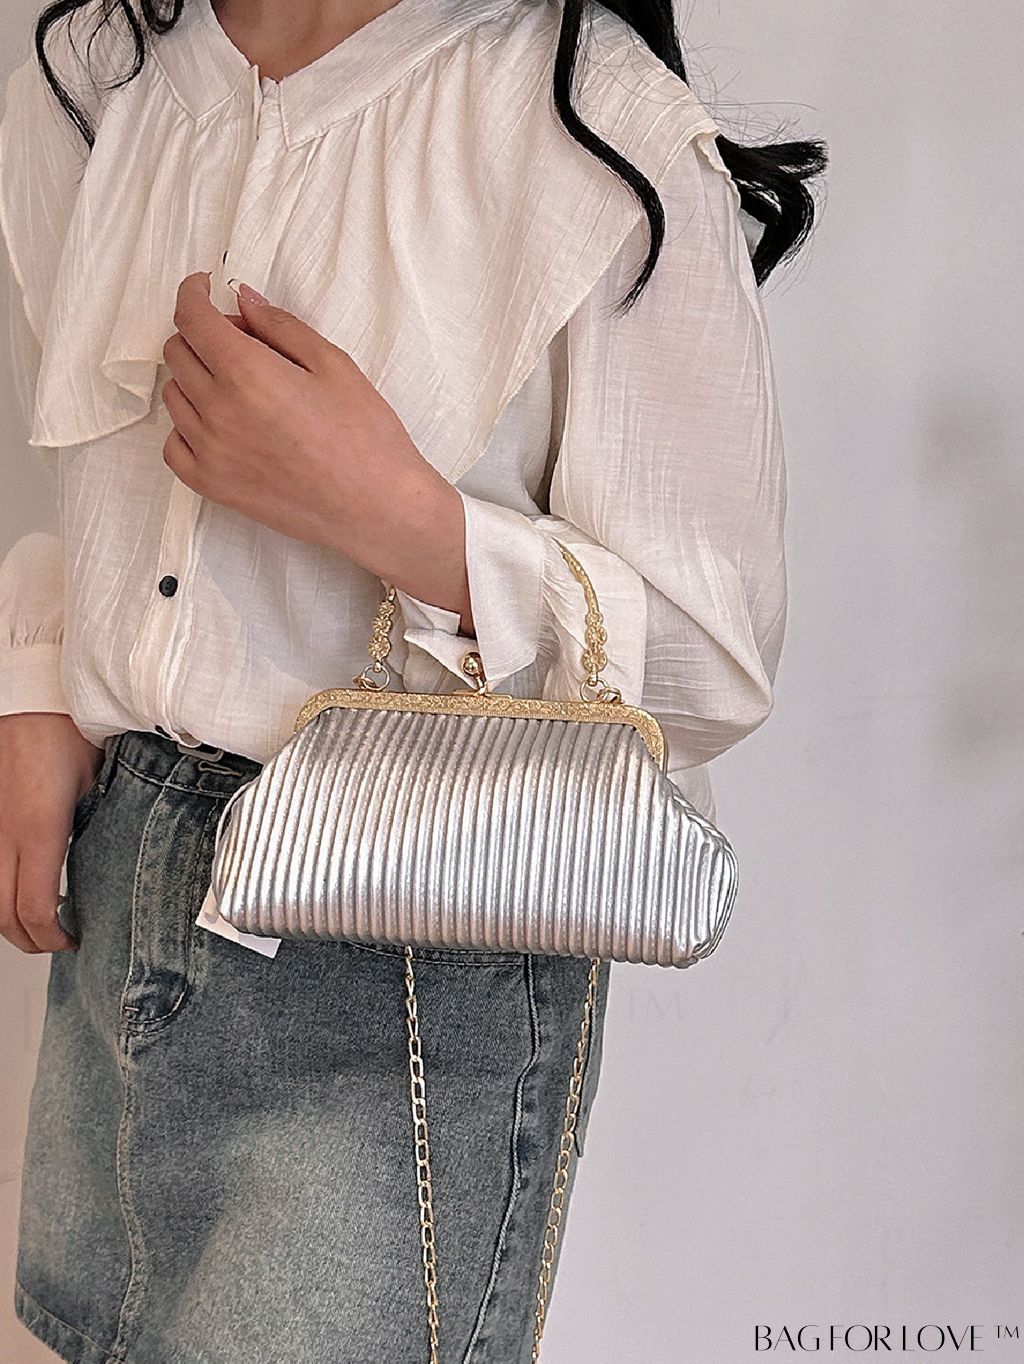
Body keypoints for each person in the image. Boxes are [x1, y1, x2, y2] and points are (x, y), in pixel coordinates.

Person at [0, 0, 826, 1358]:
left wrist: (403, 523)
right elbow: (68, 439)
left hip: (404, 935)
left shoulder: (598, 130)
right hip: (118, 868)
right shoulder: (97, 69)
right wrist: (37, 670)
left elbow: (711, 664)